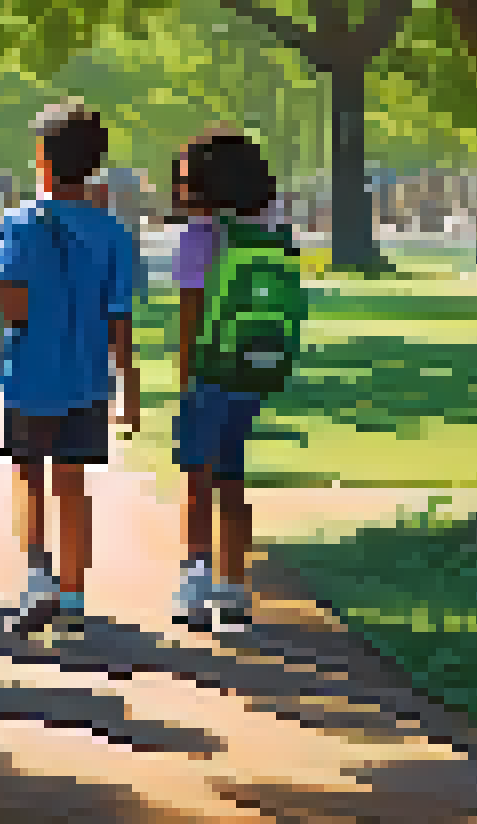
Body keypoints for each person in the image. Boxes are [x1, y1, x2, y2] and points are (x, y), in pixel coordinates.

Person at [0, 104, 139, 638]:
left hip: (30, 374)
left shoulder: (20, 223)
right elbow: (120, 316)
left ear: (43, 159)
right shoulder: (114, 232)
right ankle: (74, 594)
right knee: (73, 483)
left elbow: (9, 302)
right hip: (88, 377)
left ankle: (38, 577)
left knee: (29, 475)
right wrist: (129, 388)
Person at [168, 131, 282, 632]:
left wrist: (185, 380)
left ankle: (195, 586)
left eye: (185, 178)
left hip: (208, 373)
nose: (178, 187)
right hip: (250, 370)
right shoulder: (268, 233)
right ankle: (234, 588)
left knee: (197, 478)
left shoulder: (197, 240)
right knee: (233, 480)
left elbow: (190, 320)